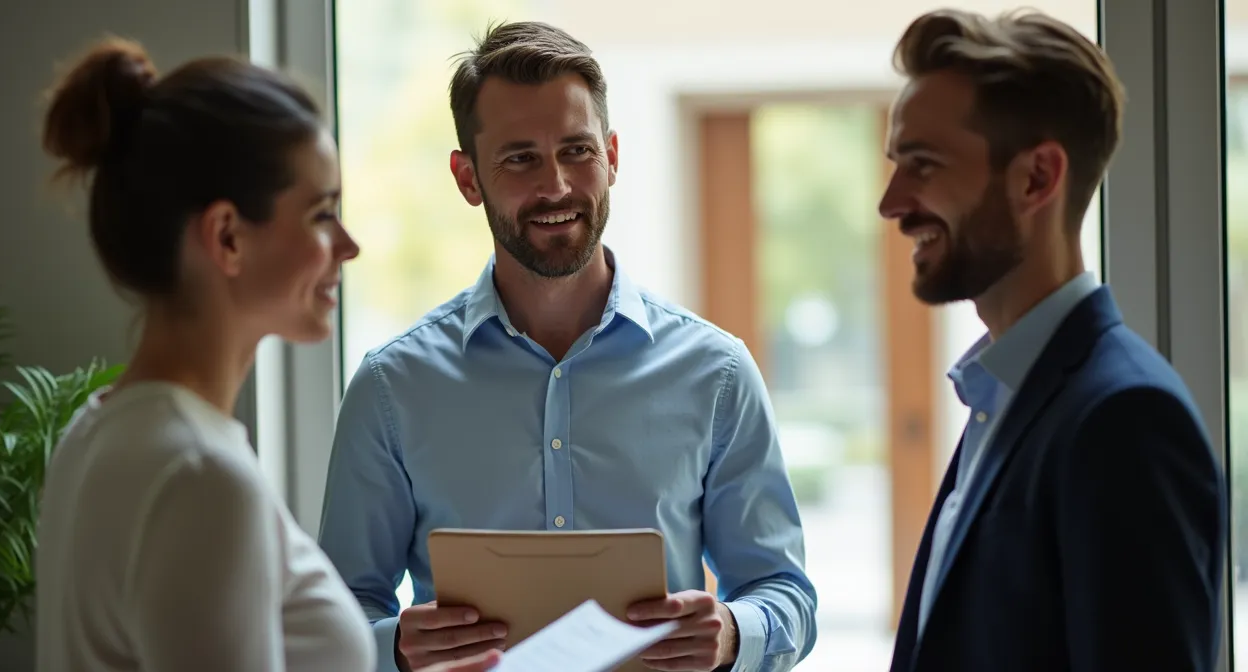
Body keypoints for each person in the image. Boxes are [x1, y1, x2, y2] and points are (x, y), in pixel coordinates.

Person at [317, 20, 817, 672]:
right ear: (468, 179)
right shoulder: (392, 388)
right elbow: (335, 616)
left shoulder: (717, 373)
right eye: (520, 158)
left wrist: (732, 631)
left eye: (577, 150)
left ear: (611, 155)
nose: (555, 186)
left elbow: (785, 595)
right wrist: (396, 650)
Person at [33, 38, 500, 672]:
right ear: (227, 237)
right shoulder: (201, 476)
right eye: (321, 214)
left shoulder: (93, 433)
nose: (349, 245)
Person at [879, 9, 1225, 672]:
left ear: (1037, 178)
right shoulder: (1004, 396)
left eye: (922, 165)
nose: (892, 202)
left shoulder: (1124, 419)